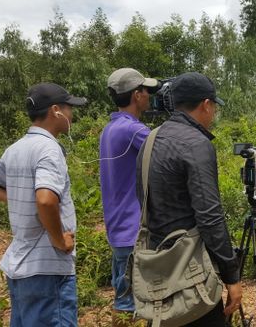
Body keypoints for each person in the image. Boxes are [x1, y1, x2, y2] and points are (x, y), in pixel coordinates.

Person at [135, 72, 242, 326]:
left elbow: (144, 200)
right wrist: (232, 276)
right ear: (206, 105)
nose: (213, 114)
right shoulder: (197, 144)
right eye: (214, 107)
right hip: (192, 274)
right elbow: (210, 216)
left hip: (158, 268)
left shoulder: (150, 139)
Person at [0, 82, 86, 326]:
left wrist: (20, 198)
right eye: (69, 108)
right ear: (55, 111)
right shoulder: (49, 149)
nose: (72, 115)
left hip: (20, 267)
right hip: (47, 270)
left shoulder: (16, 148)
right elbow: (45, 199)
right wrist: (59, 240)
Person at [99, 68, 159, 325]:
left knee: (124, 300)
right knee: (134, 306)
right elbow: (168, 151)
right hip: (133, 230)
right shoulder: (133, 131)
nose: (150, 96)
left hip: (118, 227)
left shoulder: (110, 128)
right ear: (137, 95)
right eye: (147, 91)